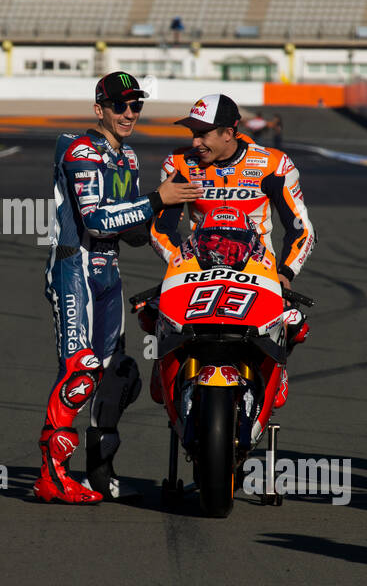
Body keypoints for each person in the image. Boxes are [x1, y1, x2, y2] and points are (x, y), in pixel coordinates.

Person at [37, 71, 202, 504]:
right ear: (100, 109)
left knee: (117, 374)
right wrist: (155, 200)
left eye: (136, 105)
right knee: (80, 370)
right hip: (74, 270)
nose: (129, 113)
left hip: (109, 272)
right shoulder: (79, 150)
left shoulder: (127, 157)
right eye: (120, 105)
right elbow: (95, 220)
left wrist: (180, 243)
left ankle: (98, 467)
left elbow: (129, 228)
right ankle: (52, 475)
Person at [148, 93, 315, 437]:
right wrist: (178, 262)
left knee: (295, 321)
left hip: (258, 269)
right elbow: (160, 228)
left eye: (202, 133)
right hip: (196, 269)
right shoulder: (180, 164)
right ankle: (167, 370)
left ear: (229, 132)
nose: (195, 141)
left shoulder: (273, 164)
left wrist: (284, 273)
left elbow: (301, 229)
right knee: (152, 312)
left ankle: (276, 362)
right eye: (192, 132)